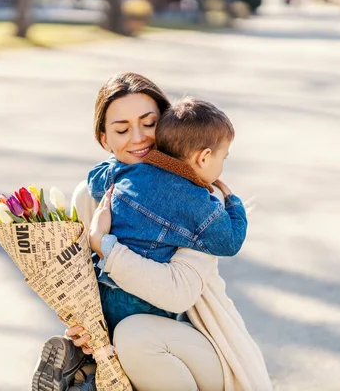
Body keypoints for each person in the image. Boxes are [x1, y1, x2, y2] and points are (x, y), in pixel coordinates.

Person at [31, 72, 272, 391]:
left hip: (195, 351)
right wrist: (84, 327)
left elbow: (177, 294)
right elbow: (86, 288)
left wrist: (104, 245)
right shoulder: (91, 196)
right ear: (105, 139)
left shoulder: (193, 198)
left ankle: (84, 381)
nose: (138, 138)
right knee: (117, 342)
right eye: (121, 129)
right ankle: (85, 375)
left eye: (149, 123)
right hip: (124, 350)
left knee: (135, 335)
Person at [87, 97, 248, 334]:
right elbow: (230, 242)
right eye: (222, 158)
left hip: (101, 289)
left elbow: (94, 181)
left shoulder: (132, 169)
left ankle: (86, 360)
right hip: (145, 302)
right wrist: (232, 202)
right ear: (204, 158)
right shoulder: (200, 205)